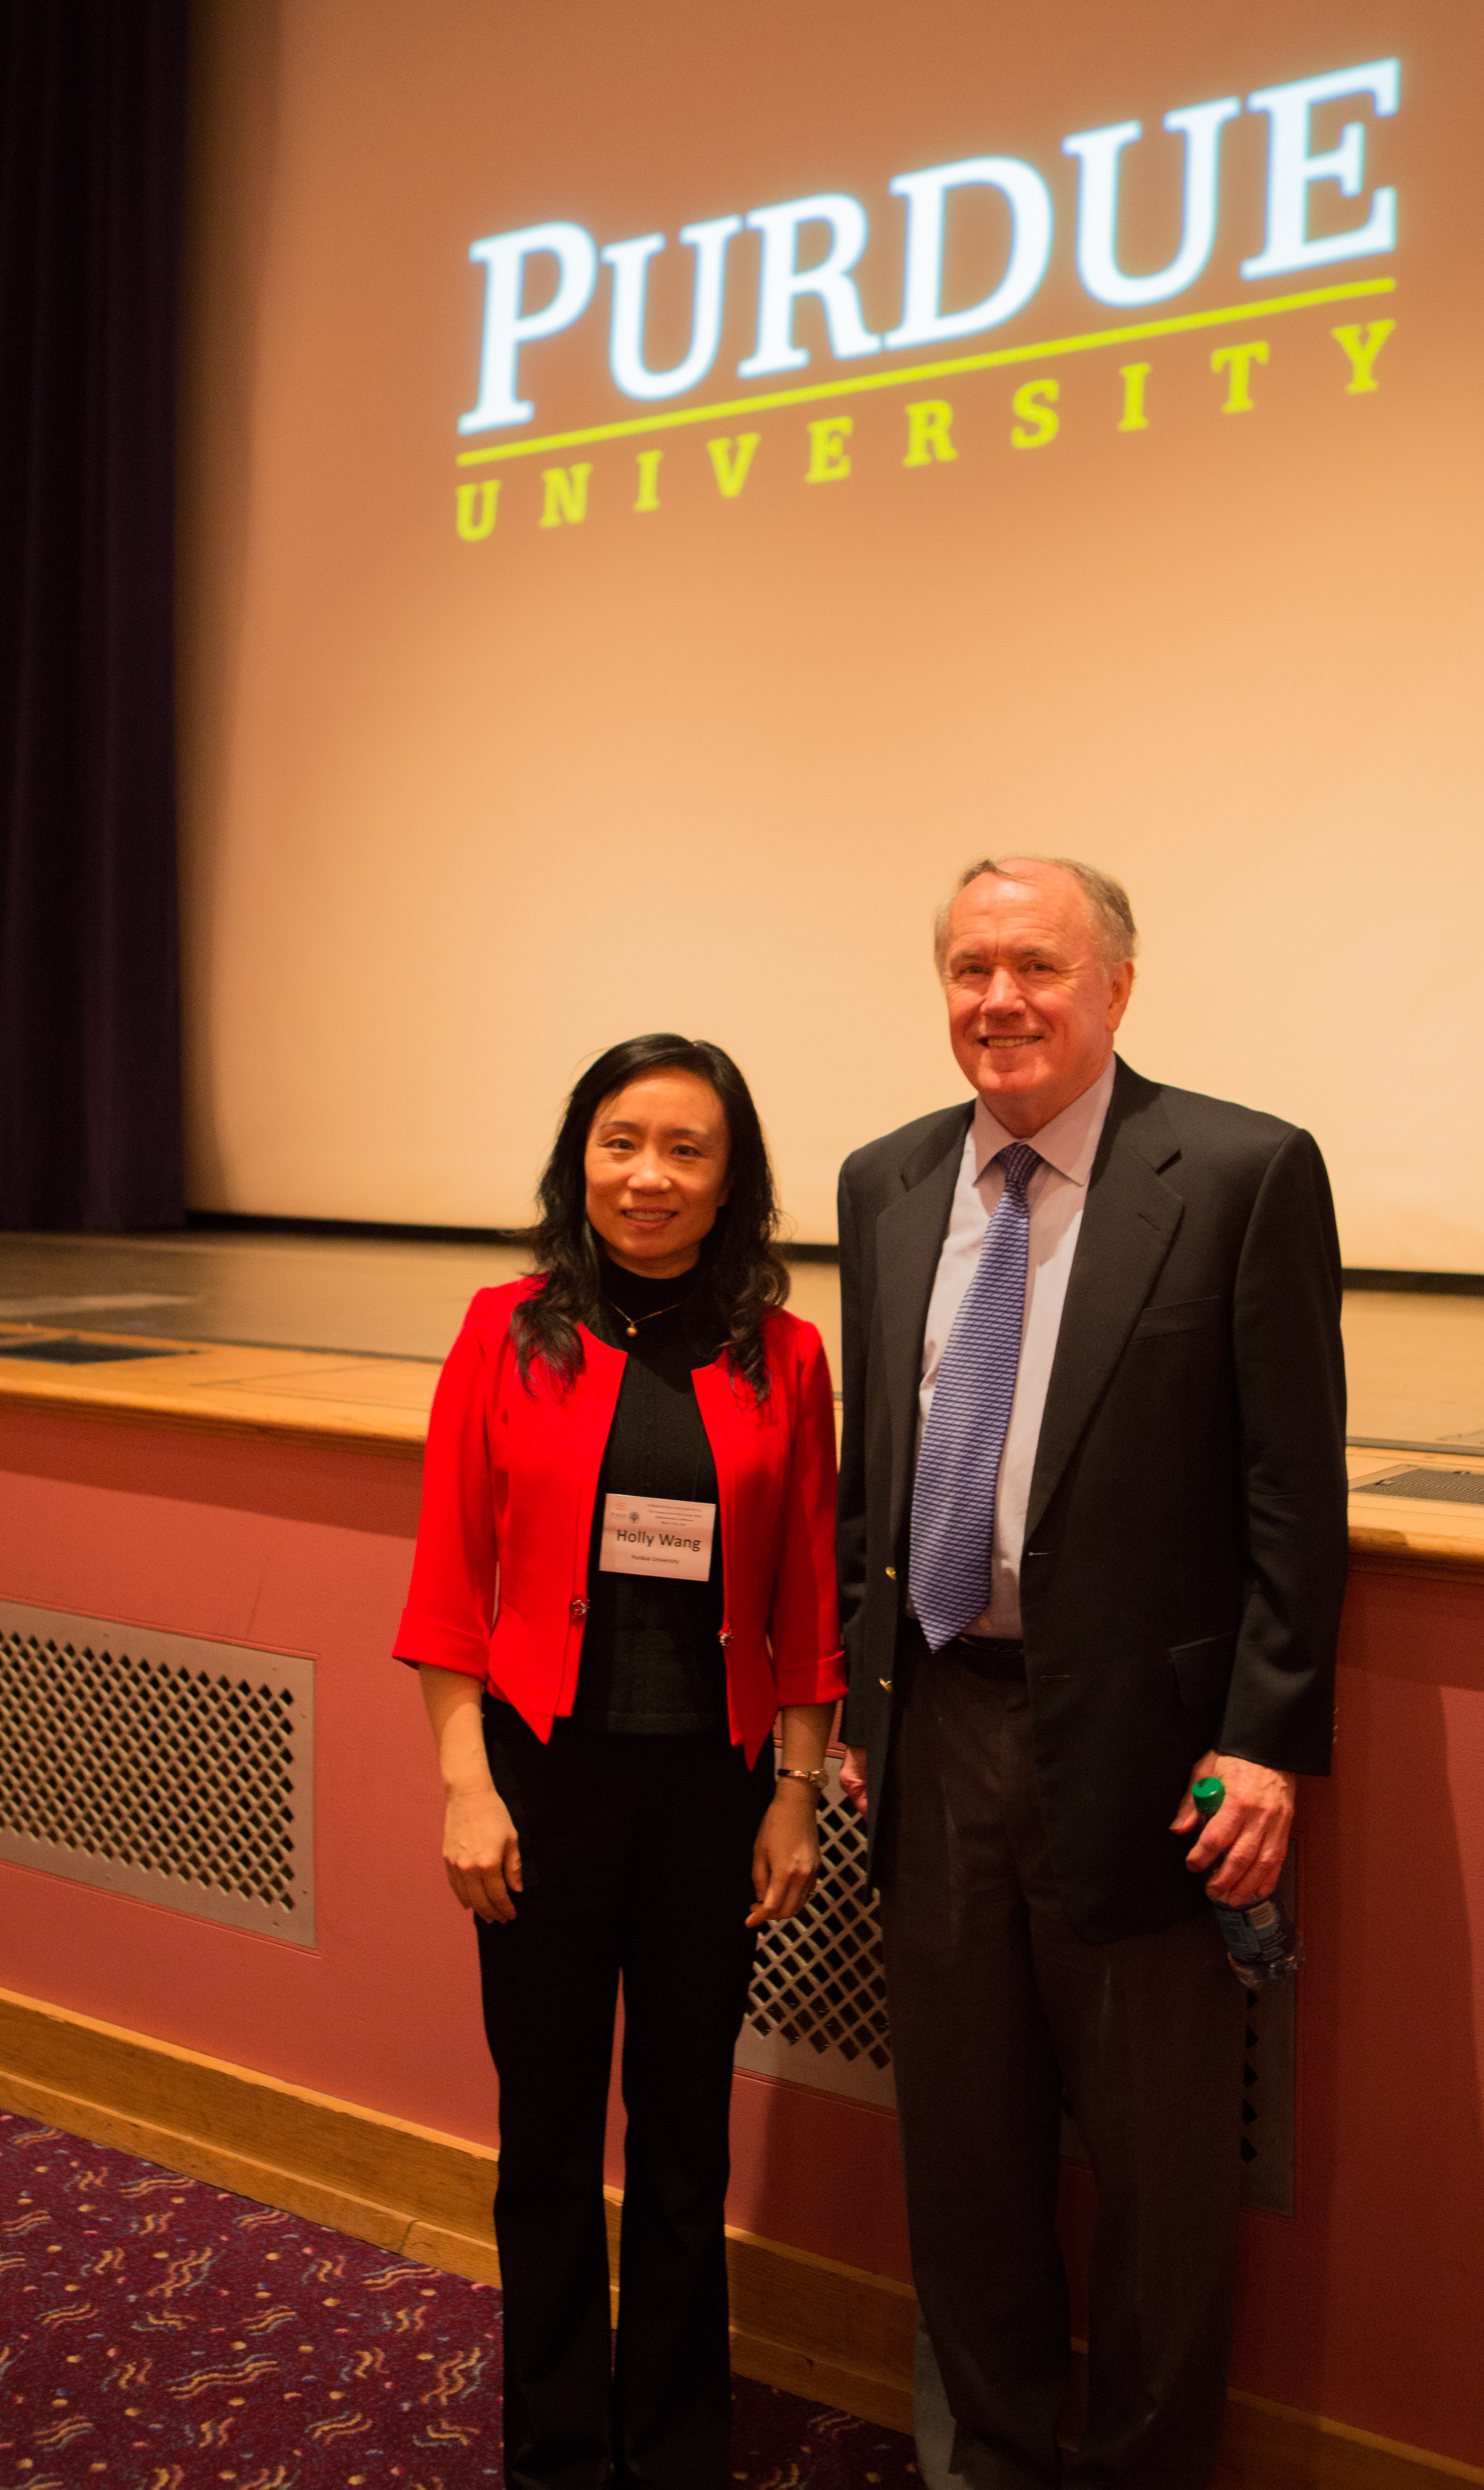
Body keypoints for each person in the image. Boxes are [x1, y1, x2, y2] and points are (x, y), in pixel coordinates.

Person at [836, 859, 1347, 2490]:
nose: (1001, 999)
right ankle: (981, 2459)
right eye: (971, 967)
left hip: (1152, 1755)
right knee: (963, 2160)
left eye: (1038, 966)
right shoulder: (885, 1179)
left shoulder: (1243, 1172)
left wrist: (1265, 1742)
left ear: (1116, 985)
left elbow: (1291, 1487)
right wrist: (859, 1711)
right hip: (939, 1736)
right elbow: (874, 1477)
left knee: (1160, 2176)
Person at [394, 1035, 846, 2490]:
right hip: (543, 1787)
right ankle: (557, 2450)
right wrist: (467, 1781)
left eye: (686, 1150)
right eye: (619, 1142)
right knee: (541, 2148)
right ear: (578, 1158)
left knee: (680, 2150)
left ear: (733, 1182)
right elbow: (449, 1585)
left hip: (708, 1796)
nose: (647, 1175)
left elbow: (805, 1593)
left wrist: (792, 1794)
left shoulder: (784, 1356)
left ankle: (674, 2451)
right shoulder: (502, 1329)